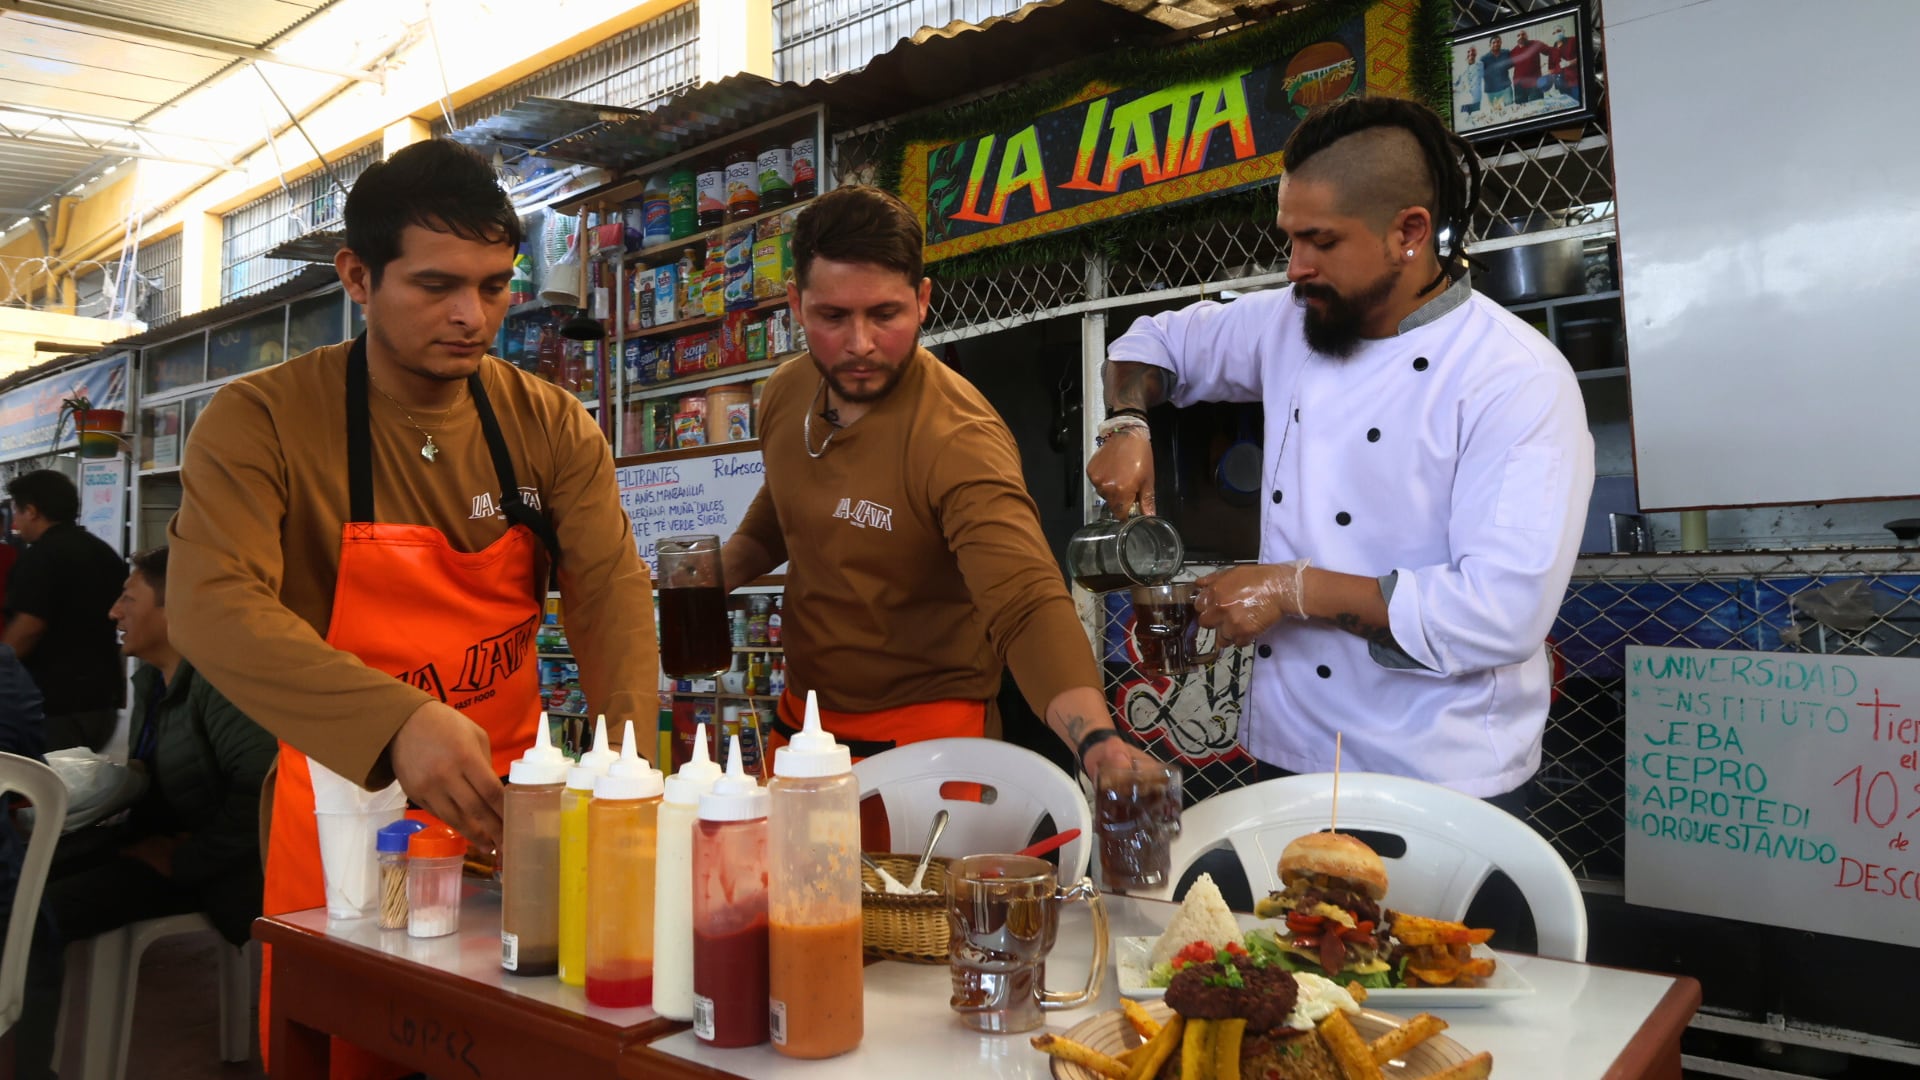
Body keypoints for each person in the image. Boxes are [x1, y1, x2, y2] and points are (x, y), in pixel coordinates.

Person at [166, 138, 660, 1072]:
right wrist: (397, 724)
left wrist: (625, 778)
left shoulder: (548, 424)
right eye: (436, 286)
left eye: (495, 285)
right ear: (357, 275)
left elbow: (609, 597)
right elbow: (211, 604)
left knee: (535, 1045)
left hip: (516, 817)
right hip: (345, 816)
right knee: (357, 1045)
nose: (471, 317)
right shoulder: (263, 419)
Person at [1086, 96, 1593, 813]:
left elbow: (1501, 612)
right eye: (1290, 238)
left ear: (1408, 232)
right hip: (1290, 754)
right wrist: (1126, 423)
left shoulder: (1512, 377)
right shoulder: (1291, 323)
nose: (1294, 268)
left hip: (1440, 779)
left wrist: (1291, 590)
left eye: (1320, 241)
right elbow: (1151, 344)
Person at [722, 186, 1160, 780]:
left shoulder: (957, 435)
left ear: (923, 300)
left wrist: (1099, 743)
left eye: (885, 314)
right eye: (832, 317)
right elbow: (788, 508)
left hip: (927, 746)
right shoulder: (787, 391)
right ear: (797, 305)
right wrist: (703, 578)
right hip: (803, 729)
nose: (859, 344)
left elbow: (1025, 602)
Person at [14, 547, 277, 1080]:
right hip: (159, 844)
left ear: (174, 608)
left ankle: (28, 1066)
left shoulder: (223, 687)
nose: (115, 612)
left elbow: (259, 803)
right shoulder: (153, 683)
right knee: (20, 874)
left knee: (38, 912)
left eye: (128, 598)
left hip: (218, 870)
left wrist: (183, 861)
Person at [2, 469, 125, 751]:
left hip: (54, 704)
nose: (16, 524)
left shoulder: (42, 556)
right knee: (80, 789)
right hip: (102, 699)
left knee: (46, 789)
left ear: (32, 511)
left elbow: (28, 628)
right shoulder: (102, 552)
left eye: (17, 512)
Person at [1508, 30, 1551, 106]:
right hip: (1519, 86)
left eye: (1523, 34)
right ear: (1516, 39)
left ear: (1527, 36)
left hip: (1535, 84)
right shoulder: (1513, 52)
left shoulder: (1535, 44)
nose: (1521, 36)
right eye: (1518, 35)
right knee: (1521, 109)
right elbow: (1506, 66)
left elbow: (1550, 51)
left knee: (1538, 107)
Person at [1479, 35, 1514, 116]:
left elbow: (1513, 63)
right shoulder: (1483, 59)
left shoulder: (1506, 53)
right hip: (1492, 91)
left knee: (1510, 111)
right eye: (1493, 42)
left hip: (1506, 88)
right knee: (1495, 114)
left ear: (1501, 43)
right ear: (1490, 45)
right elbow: (1479, 74)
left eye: (1498, 42)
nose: (1496, 44)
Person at [1455, 46, 1483, 119]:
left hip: (1476, 99)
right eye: (1469, 51)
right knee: (1464, 120)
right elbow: (1455, 84)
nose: (1471, 53)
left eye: (1473, 51)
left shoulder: (1480, 65)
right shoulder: (1461, 68)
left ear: (1476, 53)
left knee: (1476, 119)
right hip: (1465, 101)